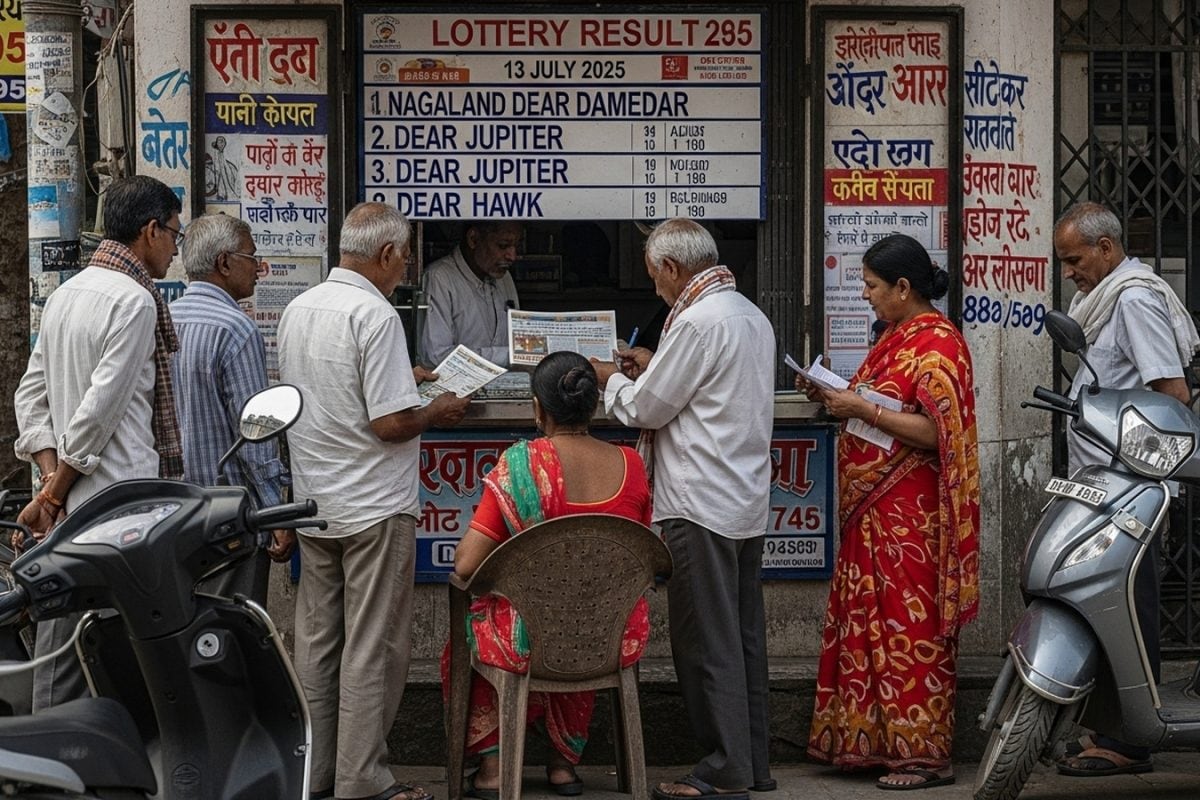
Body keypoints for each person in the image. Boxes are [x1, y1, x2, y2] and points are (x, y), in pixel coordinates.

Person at [277, 201, 471, 800]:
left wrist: (405, 379)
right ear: (386, 254)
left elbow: (332, 394)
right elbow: (390, 425)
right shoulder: (376, 314)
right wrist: (436, 409)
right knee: (373, 648)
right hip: (373, 507)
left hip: (316, 503)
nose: (406, 268)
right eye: (404, 257)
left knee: (317, 647)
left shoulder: (299, 308)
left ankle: (316, 775)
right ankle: (362, 778)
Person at [592, 218, 776, 800]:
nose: (656, 288)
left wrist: (610, 380)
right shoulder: (748, 314)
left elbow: (646, 409)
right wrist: (654, 365)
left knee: (705, 643)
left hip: (699, 503)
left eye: (655, 276)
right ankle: (752, 762)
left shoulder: (696, 321)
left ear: (672, 268)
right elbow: (701, 391)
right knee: (741, 638)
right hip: (741, 499)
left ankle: (723, 768)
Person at [797, 233, 980, 790]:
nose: (865, 295)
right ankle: (871, 743)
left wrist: (862, 409)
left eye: (872, 286)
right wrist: (833, 397)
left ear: (903, 287)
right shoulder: (896, 339)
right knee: (867, 622)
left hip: (910, 516)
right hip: (872, 512)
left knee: (909, 624)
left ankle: (924, 754)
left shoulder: (939, 345)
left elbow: (936, 432)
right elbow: (874, 402)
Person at [443, 351, 653, 799]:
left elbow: (466, 564)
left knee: (481, 618)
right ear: (594, 405)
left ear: (538, 409)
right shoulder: (632, 467)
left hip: (529, 641)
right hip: (607, 639)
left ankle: (493, 769)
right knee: (582, 608)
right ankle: (563, 765)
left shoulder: (520, 467)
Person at [12, 174, 185, 710]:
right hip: (119, 502)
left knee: (68, 637)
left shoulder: (67, 293)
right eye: (174, 234)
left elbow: (30, 397)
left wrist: (50, 483)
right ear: (151, 230)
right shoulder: (134, 301)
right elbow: (98, 413)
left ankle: (62, 740)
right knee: (116, 643)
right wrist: (54, 493)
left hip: (74, 502)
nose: (175, 250)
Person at [1052, 202, 1198, 778]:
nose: (1069, 272)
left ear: (1106, 249)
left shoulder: (1133, 300)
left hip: (1131, 491)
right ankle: (1108, 728)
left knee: (1128, 606)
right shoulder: (1104, 301)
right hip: (1104, 486)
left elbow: (1171, 393)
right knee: (1103, 601)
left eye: (1074, 259)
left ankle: (1130, 741)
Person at [170, 213, 295, 602]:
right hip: (228, 517)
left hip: (171, 512)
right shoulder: (235, 328)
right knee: (231, 624)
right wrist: (274, 512)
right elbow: (255, 434)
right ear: (224, 262)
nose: (259, 268)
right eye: (251, 257)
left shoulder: (165, 318)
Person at [420, 220, 523, 367]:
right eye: (503, 246)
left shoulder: (504, 278)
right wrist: (508, 356)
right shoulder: (439, 278)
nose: (512, 256)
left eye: (516, 246)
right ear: (473, 239)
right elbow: (436, 356)